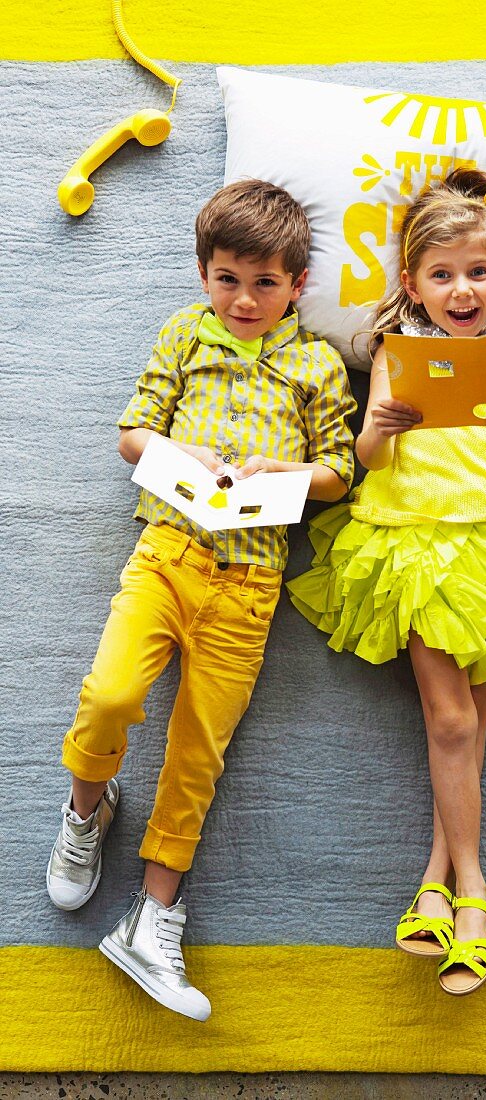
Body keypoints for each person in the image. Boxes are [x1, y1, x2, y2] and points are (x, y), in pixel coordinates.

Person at [287, 167, 486, 996]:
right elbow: (366, 459)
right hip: (418, 543)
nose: (461, 289)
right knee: (448, 720)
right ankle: (475, 895)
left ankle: (435, 875)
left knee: (464, 724)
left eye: (477, 272)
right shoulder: (397, 355)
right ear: (413, 284)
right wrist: (382, 428)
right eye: (441, 275)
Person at [46, 179, 357, 1020]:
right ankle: (87, 806)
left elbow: (340, 472)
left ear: (297, 285)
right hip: (168, 554)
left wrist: (281, 472)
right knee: (109, 694)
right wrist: (185, 459)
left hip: (251, 585)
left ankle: (152, 918)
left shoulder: (317, 364)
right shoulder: (185, 334)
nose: (244, 299)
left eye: (264, 283)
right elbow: (130, 432)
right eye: (227, 279)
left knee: (197, 754)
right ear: (202, 274)